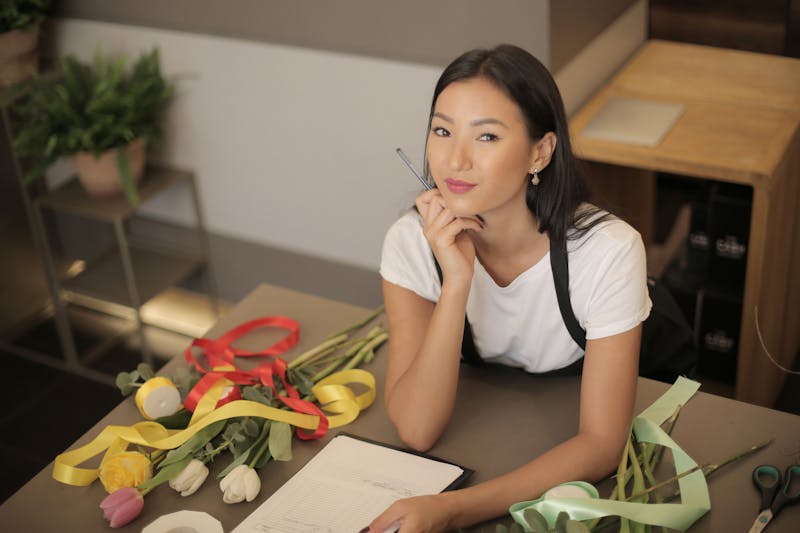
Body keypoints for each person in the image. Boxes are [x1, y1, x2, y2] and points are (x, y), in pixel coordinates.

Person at [367, 44, 651, 532]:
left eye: (487, 136)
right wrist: (457, 281)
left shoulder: (608, 251)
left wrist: (456, 508)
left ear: (539, 152)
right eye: (442, 131)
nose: (455, 161)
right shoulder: (410, 241)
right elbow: (416, 429)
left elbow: (603, 444)